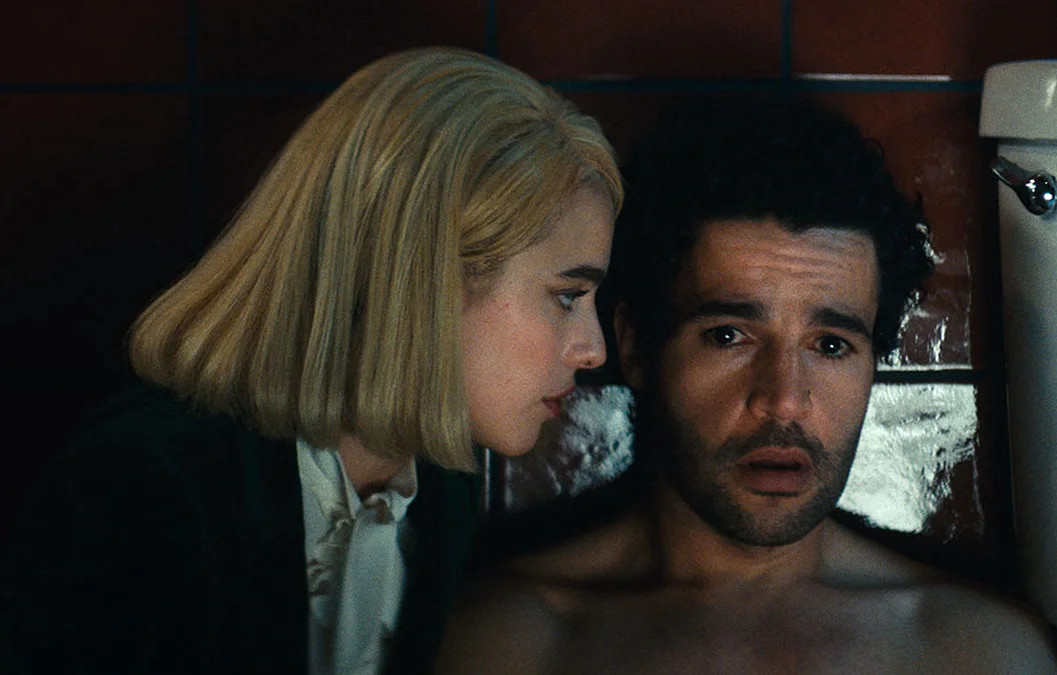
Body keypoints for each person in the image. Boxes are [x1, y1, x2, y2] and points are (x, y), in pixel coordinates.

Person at [0, 47, 621, 675]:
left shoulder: (440, 494)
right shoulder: (145, 491)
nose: (593, 348)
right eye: (567, 297)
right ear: (423, 278)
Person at [434, 99, 1057, 674]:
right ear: (636, 347)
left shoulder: (974, 650)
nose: (783, 400)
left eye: (831, 345)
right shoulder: (514, 642)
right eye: (729, 336)